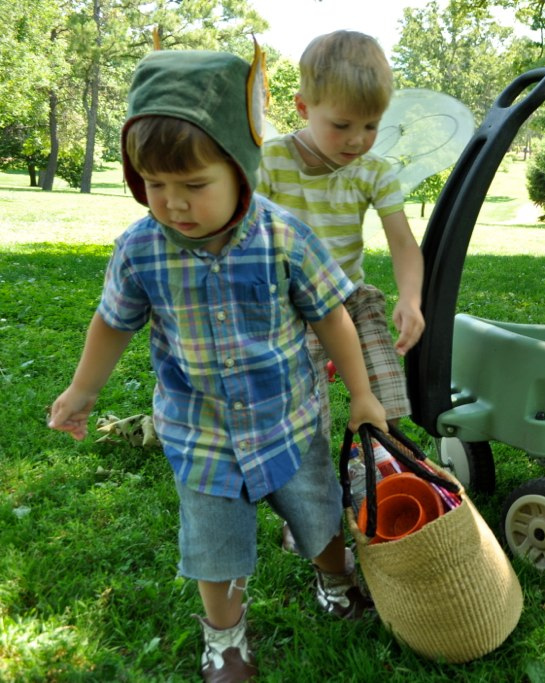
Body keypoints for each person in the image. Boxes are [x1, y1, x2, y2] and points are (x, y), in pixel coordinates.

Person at [47, 50, 388, 682]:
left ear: (241, 167)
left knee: (318, 513)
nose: (173, 203)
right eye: (155, 185)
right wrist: (81, 390)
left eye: (194, 185)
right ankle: (226, 641)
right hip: (199, 430)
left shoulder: (284, 237)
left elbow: (332, 317)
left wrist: (363, 395)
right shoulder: (139, 249)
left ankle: (334, 584)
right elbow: (112, 323)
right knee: (214, 540)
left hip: (289, 421)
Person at [257, 30, 425, 549]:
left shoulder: (373, 170)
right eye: (342, 125)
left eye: (371, 125)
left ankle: (378, 473)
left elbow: (402, 241)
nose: (358, 139)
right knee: (307, 418)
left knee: (382, 396)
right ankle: (309, 504)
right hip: (287, 303)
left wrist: (410, 297)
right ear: (304, 107)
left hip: (347, 296)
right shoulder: (272, 161)